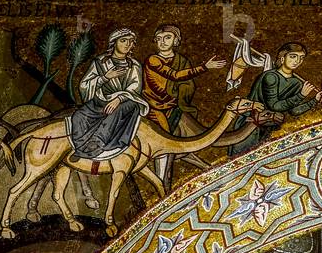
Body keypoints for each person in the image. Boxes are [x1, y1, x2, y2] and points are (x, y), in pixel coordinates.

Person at [228, 42, 322, 156]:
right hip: (249, 128)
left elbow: (293, 111)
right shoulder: (270, 76)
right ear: (282, 58)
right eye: (293, 56)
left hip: (270, 130)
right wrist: (301, 95)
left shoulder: (297, 83)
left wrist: (315, 100)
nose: (297, 61)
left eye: (301, 58)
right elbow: (274, 105)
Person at [66, 29, 150, 161]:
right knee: (79, 116)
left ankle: (96, 143)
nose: (127, 44)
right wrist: (105, 77)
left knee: (117, 110)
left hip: (125, 102)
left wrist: (118, 99)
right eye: (123, 41)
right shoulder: (100, 62)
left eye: (130, 42)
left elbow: (134, 88)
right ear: (114, 43)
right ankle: (81, 147)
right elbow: (84, 85)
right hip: (100, 101)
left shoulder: (134, 65)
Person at [143, 24, 226, 133]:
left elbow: (188, 83)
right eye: (159, 38)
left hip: (174, 104)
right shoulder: (153, 60)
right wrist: (204, 67)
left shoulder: (181, 60)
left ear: (176, 40)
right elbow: (175, 76)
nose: (162, 42)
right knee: (166, 134)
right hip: (154, 105)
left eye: (167, 37)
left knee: (191, 129)